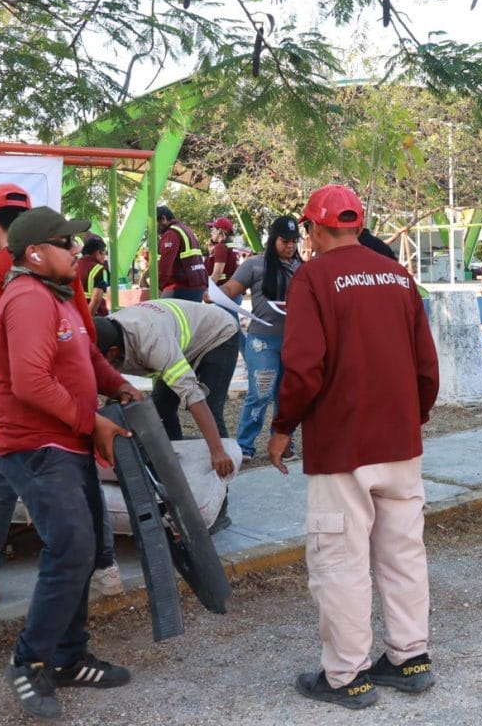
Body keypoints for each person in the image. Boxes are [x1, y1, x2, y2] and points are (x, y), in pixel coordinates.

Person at [266, 184, 439, 710]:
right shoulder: (398, 276)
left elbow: (302, 367)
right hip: (399, 444)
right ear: (357, 226)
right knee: (404, 553)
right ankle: (410, 658)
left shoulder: (314, 277)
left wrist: (283, 426)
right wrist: (411, 417)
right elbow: (426, 366)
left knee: (341, 560)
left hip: (343, 447)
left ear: (315, 229)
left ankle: (346, 675)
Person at [0, 206, 142, 719]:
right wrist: (92, 421)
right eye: (66, 243)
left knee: (83, 544)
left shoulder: (57, 297)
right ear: (35, 253)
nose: (78, 250)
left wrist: (115, 383)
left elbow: (87, 356)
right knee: (74, 546)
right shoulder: (28, 299)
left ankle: (69, 658)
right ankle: (29, 663)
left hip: (66, 442)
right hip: (36, 446)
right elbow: (31, 383)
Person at [0, 188, 124, 606]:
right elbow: (86, 332)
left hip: (30, 409)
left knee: (1, 479)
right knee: (83, 481)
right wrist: (100, 385)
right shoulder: (63, 264)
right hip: (70, 398)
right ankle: (104, 568)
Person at [94, 299, 239, 532]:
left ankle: (219, 507)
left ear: (111, 352)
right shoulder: (110, 335)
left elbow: (193, 396)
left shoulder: (151, 343)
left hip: (216, 335)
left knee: (210, 407)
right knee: (161, 408)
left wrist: (217, 451)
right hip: (177, 339)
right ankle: (174, 477)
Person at [219, 215, 301, 464]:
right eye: (285, 241)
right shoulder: (254, 265)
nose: (290, 246)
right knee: (260, 393)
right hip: (262, 341)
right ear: (273, 239)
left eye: (294, 241)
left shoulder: (302, 268)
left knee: (287, 396)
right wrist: (214, 294)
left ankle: (283, 443)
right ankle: (245, 445)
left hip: (294, 342)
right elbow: (231, 289)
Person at [156, 205, 208, 301]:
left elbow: (165, 266)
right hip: (198, 285)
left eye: (154, 223)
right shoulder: (184, 229)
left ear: (163, 219)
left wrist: (156, 287)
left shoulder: (171, 234)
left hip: (182, 286)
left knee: (159, 312)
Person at [77, 235, 110, 316]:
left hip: (74, 315)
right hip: (95, 317)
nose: (104, 258)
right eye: (104, 254)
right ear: (98, 252)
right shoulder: (100, 270)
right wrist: (87, 319)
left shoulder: (73, 265)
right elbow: (96, 299)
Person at [205, 216, 239, 285]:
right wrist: (211, 252)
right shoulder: (229, 246)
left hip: (221, 290)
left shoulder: (220, 247)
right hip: (230, 289)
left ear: (219, 231)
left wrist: (207, 289)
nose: (211, 233)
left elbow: (217, 273)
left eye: (212, 230)